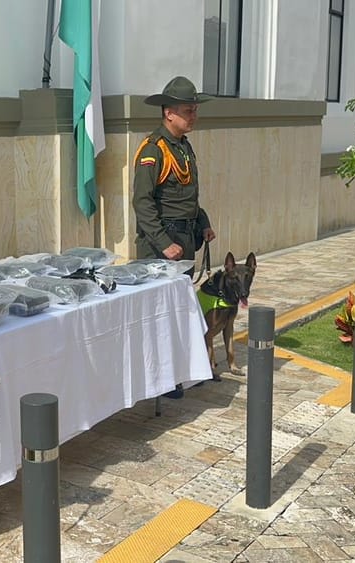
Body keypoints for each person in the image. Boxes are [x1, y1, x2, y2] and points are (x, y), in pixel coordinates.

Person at [131, 76, 218, 398]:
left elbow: (187, 196)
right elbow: (142, 203)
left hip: (183, 236)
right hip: (161, 243)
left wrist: (203, 222)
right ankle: (159, 382)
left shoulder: (183, 146)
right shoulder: (153, 150)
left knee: (178, 309)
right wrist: (163, 242)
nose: (193, 116)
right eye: (187, 110)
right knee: (158, 315)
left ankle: (177, 372)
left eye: (195, 110)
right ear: (168, 112)